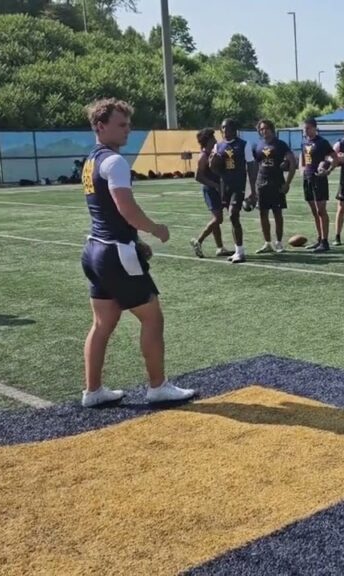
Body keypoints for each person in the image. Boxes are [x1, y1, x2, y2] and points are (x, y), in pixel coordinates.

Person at [79, 98, 195, 408]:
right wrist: (154, 229)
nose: (127, 129)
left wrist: (132, 239)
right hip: (116, 251)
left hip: (94, 249)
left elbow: (104, 212)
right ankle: (157, 386)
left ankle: (93, 391)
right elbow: (125, 208)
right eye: (121, 124)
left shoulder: (91, 160)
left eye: (128, 123)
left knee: (102, 324)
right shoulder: (115, 162)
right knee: (152, 319)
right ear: (100, 126)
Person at [214, 118, 256, 263]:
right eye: (223, 128)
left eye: (228, 127)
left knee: (233, 214)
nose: (225, 130)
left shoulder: (243, 145)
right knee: (232, 219)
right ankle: (237, 250)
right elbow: (215, 168)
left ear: (234, 129)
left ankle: (240, 251)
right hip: (224, 187)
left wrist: (252, 189)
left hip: (239, 186)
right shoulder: (218, 146)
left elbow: (251, 166)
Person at [252, 119, 297, 254]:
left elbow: (293, 162)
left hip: (277, 183)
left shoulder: (280, 144)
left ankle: (278, 242)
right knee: (262, 213)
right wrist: (252, 188)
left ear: (272, 129)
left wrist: (287, 183)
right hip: (261, 183)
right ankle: (267, 243)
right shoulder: (257, 145)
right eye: (261, 129)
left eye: (266, 128)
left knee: (278, 213)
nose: (264, 131)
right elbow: (254, 166)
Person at [189, 128, 227, 258]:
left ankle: (220, 247)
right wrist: (214, 185)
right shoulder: (203, 156)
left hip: (216, 189)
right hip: (210, 190)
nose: (216, 140)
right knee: (218, 219)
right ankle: (198, 241)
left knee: (216, 218)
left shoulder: (213, 153)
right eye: (213, 138)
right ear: (208, 141)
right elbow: (198, 177)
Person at [301, 118, 337, 252]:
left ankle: (325, 242)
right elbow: (303, 158)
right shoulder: (304, 142)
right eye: (305, 128)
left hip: (319, 179)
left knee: (321, 211)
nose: (306, 130)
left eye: (308, 128)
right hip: (307, 178)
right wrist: (302, 170)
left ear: (315, 128)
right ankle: (319, 238)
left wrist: (328, 171)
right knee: (314, 211)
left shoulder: (322, 142)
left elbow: (335, 157)